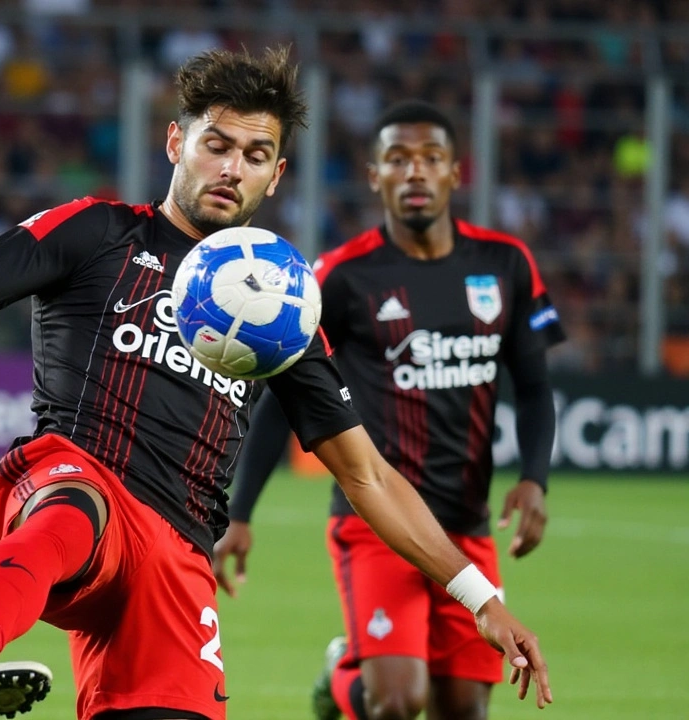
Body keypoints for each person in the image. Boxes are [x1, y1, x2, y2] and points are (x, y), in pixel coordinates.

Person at [0, 50, 551, 720]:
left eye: (256, 154)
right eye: (216, 145)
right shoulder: (96, 232)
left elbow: (368, 474)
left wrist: (480, 599)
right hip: (77, 478)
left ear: (277, 173)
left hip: (181, 554)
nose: (232, 167)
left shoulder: (284, 309)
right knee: (65, 514)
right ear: (175, 142)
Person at [215, 100, 565, 720]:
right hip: (374, 523)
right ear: (375, 176)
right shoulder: (345, 276)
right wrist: (240, 513)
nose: (415, 173)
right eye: (397, 160)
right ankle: (342, 679)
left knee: (464, 711)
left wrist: (535, 478)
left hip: (467, 520)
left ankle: (349, 670)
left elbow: (535, 386)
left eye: (431, 159)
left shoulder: (505, 263)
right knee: (399, 704)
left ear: (457, 173)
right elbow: (281, 396)